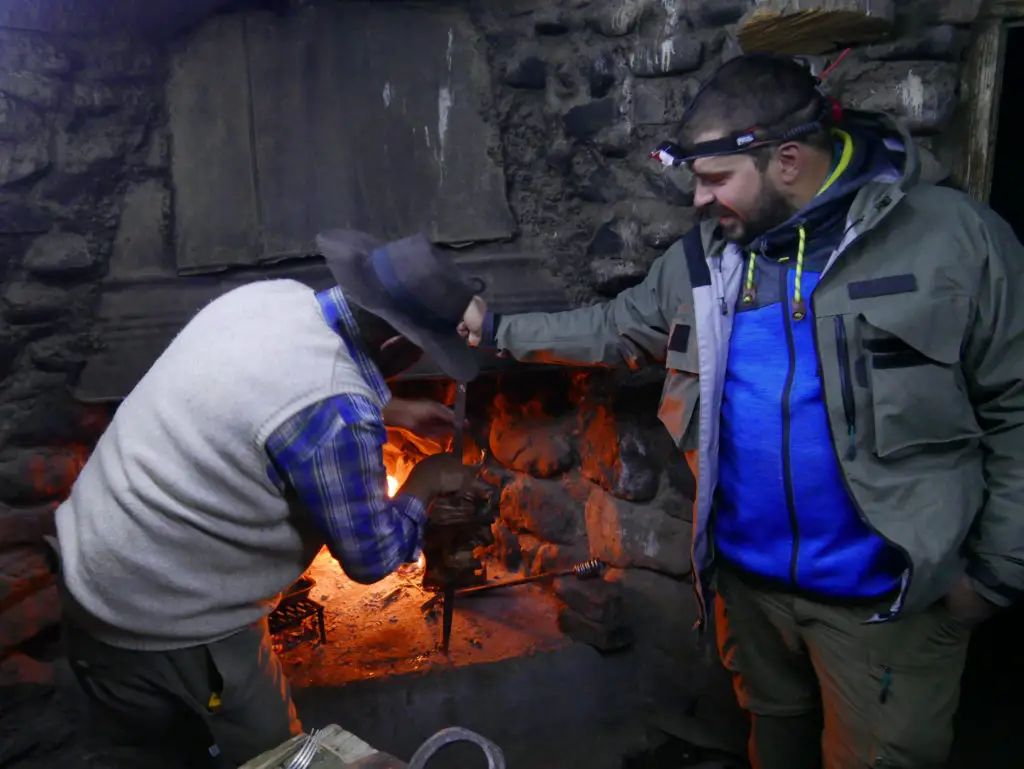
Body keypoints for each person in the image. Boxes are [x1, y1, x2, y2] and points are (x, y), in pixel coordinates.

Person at [460, 53, 1024, 768]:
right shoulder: (709, 257)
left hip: (886, 606)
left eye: (714, 180)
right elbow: (617, 325)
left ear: (787, 160)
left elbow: (1016, 402)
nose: (699, 201)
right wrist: (499, 329)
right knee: (771, 744)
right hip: (749, 592)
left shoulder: (954, 239)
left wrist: (999, 573)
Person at [56, 229, 485, 767]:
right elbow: (371, 559)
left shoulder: (272, 298)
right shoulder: (338, 413)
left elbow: (266, 393)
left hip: (90, 565)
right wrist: (427, 477)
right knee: (278, 755)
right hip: (164, 618)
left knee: (150, 749)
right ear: (397, 342)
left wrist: (389, 409)